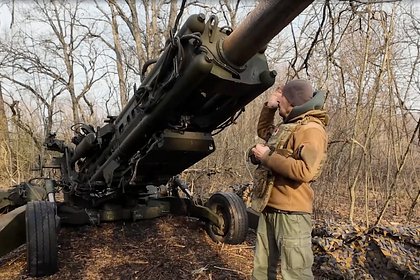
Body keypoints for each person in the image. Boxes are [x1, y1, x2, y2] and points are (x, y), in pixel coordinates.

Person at [250, 79, 329, 280]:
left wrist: (267, 157)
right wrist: (269, 107)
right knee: (261, 270)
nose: (279, 102)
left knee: (295, 274)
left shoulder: (311, 129)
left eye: (282, 98)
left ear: (292, 102)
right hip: (270, 208)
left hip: (291, 215)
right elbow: (265, 132)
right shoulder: (291, 124)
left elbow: (305, 171)